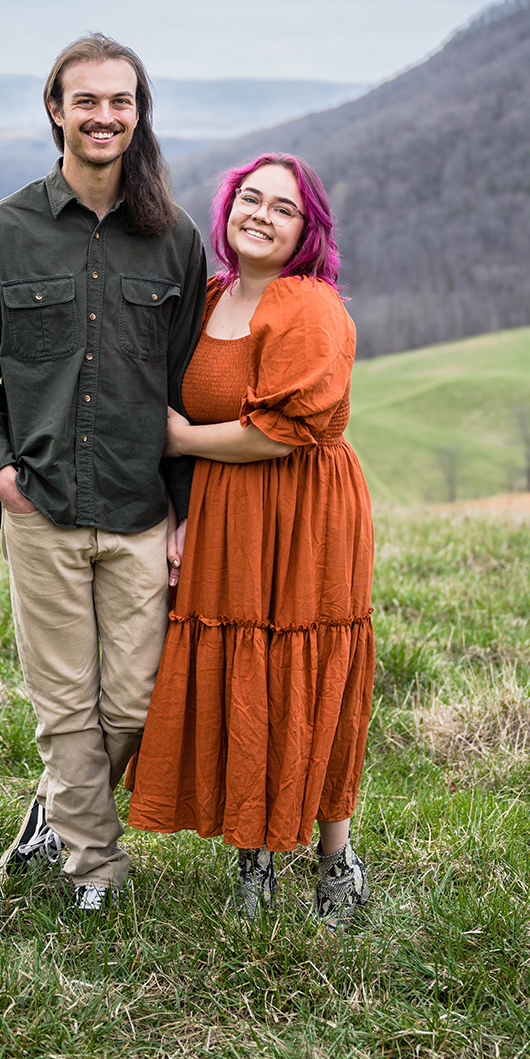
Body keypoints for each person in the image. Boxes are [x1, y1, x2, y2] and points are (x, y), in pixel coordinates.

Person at [0, 33, 206, 912]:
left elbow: (186, 390)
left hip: (139, 511)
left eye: (120, 101)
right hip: (43, 507)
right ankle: (94, 868)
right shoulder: (2, 233)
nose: (104, 116)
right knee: (65, 705)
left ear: (139, 114)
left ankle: (58, 802)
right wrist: (1, 476)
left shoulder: (173, 241)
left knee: (130, 705)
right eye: (86, 101)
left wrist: (185, 515)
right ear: (55, 110)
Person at [127, 152, 375, 925]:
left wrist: (181, 443)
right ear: (228, 207)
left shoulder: (308, 306)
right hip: (227, 510)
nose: (261, 215)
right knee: (246, 671)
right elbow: (176, 404)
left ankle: (336, 862)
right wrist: (182, 506)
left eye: (284, 208)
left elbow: (285, 432)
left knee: (304, 665)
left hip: (303, 514)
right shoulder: (207, 298)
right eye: (250, 198)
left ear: (308, 231)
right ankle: (254, 850)